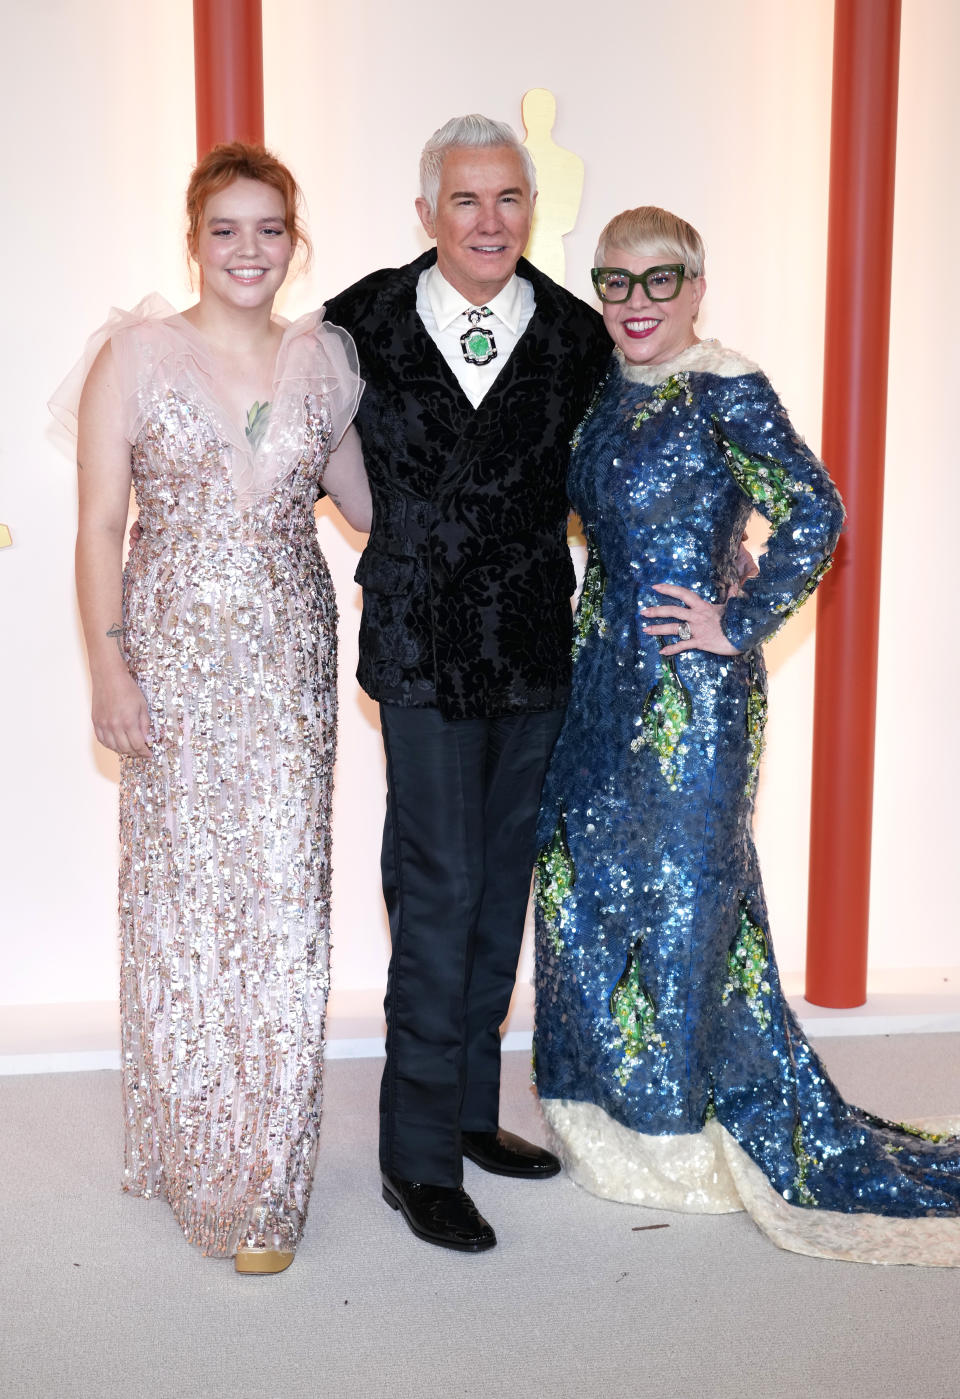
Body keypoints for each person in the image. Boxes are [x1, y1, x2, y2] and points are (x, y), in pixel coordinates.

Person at [533, 205, 960, 1266]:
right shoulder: (602, 391)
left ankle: (674, 1140)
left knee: (684, 902)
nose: (637, 302)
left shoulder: (726, 387)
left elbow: (815, 510)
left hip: (692, 698)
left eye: (659, 280)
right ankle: (605, 1120)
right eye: (616, 282)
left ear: (696, 285)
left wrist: (740, 618)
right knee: (581, 887)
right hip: (599, 689)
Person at [61, 143, 369, 1273]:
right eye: (226, 228)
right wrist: (109, 669)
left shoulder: (326, 359)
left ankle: (269, 1184)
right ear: (193, 238)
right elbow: (99, 525)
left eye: (270, 228)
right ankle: (195, 1148)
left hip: (288, 664)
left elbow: (375, 504)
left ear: (296, 240)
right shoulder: (135, 355)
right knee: (186, 904)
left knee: (286, 906)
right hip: (175, 665)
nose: (249, 249)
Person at [324, 115, 612, 1251]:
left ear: (527, 211)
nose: (489, 223)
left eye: (507, 201)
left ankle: (471, 1114)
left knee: (501, 889)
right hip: (420, 646)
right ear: (425, 212)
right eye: (466, 202)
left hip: (536, 646)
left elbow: (621, 475)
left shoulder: (582, 336)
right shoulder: (359, 322)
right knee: (438, 888)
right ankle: (413, 1156)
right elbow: (295, 447)